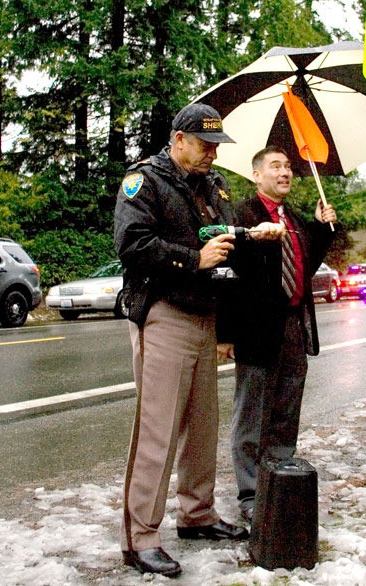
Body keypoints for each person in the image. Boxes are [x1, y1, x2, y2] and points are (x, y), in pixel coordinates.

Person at [114, 104, 282, 578]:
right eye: (205, 146)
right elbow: (131, 245)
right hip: (164, 311)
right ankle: (139, 537)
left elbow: (220, 233)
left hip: (206, 313)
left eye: (216, 146)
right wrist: (194, 259)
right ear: (178, 140)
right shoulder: (144, 182)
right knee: (158, 430)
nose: (212, 154)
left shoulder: (212, 185)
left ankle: (197, 513)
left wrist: (252, 235)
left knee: (202, 425)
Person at [223, 146, 338, 522]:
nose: (285, 172)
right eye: (276, 166)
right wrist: (224, 334)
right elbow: (228, 276)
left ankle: (278, 478)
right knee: (253, 411)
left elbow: (304, 266)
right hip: (256, 328)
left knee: (286, 408)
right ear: (257, 175)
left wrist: (321, 228)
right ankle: (250, 492)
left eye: (288, 166)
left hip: (293, 326)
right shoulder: (243, 215)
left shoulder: (295, 219)